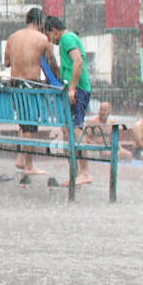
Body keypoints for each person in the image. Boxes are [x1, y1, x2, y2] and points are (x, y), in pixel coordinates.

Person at [3, 7, 61, 175]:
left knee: (23, 122)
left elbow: (6, 62)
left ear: (26, 20)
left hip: (15, 84)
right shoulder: (42, 39)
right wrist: (58, 80)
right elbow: (52, 64)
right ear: (41, 22)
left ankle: (21, 159)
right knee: (30, 126)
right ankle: (29, 165)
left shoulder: (12, 37)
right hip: (31, 85)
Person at [44, 16, 92, 185]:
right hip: (72, 89)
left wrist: (72, 88)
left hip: (78, 89)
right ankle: (75, 173)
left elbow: (78, 62)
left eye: (50, 36)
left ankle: (85, 172)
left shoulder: (67, 38)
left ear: (54, 30)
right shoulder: (65, 39)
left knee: (76, 128)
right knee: (67, 130)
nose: (51, 41)